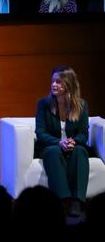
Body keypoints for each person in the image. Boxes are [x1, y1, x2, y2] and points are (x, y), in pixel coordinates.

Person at [34, 66, 89, 217]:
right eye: (52, 81)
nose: (54, 85)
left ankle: (77, 201)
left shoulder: (82, 106)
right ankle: (63, 201)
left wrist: (73, 141)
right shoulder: (43, 105)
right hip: (51, 146)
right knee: (54, 151)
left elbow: (83, 134)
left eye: (58, 82)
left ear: (69, 84)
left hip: (72, 147)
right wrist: (59, 142)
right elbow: (40, 133)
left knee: (81, 151)